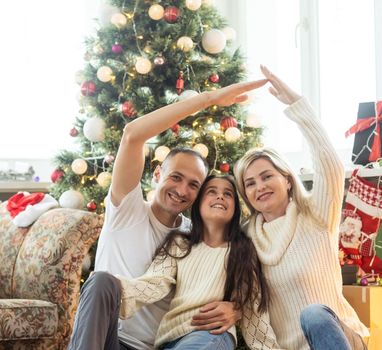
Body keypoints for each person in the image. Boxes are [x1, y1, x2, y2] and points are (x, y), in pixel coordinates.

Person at [68, 78, 268, 350]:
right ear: (158, 174)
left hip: (163, 346)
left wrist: (237, 308)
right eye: (175, 177)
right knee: (101, 281)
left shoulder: (190, 239)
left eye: (194, 185)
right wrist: (208, 99)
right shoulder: (127, 209)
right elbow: (132, 134)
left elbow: (242, 283)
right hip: (109, 341)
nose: (182, 190)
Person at [234, 65, 369, 350]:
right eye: (250, 183)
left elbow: (330, 164)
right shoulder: (246, 239)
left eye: (267, 176)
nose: (260, 187)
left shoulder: (316, 215)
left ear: (286, 177)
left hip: (339, 339)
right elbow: (252, 317)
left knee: (314, 314)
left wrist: (298, 106)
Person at [70, 174, 280, 350]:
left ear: (235, 208)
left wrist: (237, 308)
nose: (220, 197)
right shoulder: (180, 244)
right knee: (101, 280)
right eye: (212, 192)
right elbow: (154, 283)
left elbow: (253, 307)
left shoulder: (243, 251)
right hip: (169, 341)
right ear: (198, 204)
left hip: (210, 335)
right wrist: (114, 289)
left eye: (228, 194)